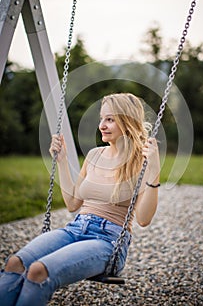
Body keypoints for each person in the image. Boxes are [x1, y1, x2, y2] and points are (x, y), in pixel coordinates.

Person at [0, 93, 160, 306]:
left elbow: (143, 219)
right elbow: (73, 204)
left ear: (127, 121)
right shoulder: (94, 156)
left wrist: (154, 172)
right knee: (14, 263)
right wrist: (63, 161)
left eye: (110, 119)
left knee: (39, 271)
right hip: (75, 229)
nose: (102, 125)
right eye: (102, 119)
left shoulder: (141, 162)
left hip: (107, 240)